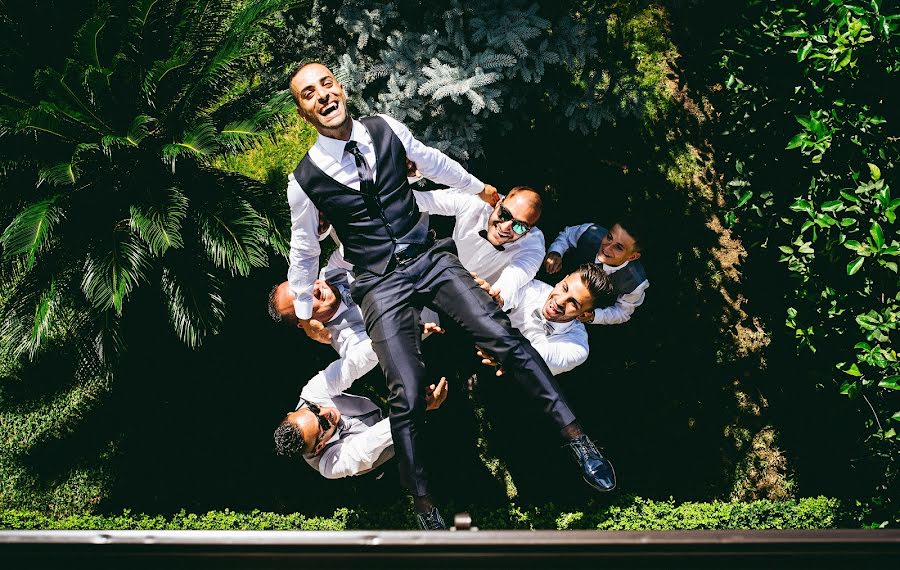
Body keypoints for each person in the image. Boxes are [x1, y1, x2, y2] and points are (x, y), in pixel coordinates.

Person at [285, 61, 615, 529]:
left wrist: (479, 188)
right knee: (408, 391)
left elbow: (433, 160)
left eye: (326, 84)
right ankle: (423, 503)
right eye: (308, 94)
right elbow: (303, 247)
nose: (322, 95)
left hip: (430, 258)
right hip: (379, 284)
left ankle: (576, 435)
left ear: (340, 88)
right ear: (303, 112)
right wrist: (303, 313)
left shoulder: (385, 128)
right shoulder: (304, 181)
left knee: (502, 336)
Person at [269, 268, 445, 479]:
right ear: (319, 447)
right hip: (378, 455)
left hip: (375, 407)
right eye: (323, 424)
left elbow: (352, 365)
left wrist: (396, 335)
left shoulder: (311, 395)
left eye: (314, 409)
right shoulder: (330, 465)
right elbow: (368, 445)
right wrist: (417, 409)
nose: (326, 413)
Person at [412, 184, 545, 309]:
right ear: (498, 203)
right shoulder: (475, 201)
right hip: (431, 276)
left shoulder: (533, 247)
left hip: (468, 303)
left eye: (519, 226)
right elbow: (418, 200)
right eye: (504, 214)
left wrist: (497, 297)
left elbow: (514, 279)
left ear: (527, 232)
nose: (505, 228)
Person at [475, 264, 615, 376]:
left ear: (583, 315)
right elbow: (506, 295)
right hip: (484, 337)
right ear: (561, 280)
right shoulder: (533, 287)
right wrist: (496, 299)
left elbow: (540, 356)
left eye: (573, 303)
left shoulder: (577, 347)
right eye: (564, 288)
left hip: (513, 376)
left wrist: (507, 354)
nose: (560, 301)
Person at [543, 220, 649, 325]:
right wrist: (556, 251)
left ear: (633, 256)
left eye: (618, 247)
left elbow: (622, 312)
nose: (607, 248)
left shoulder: (635, 282)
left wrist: (594, 316)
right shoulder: (589, 232)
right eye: (609, 237)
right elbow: (567, 236)